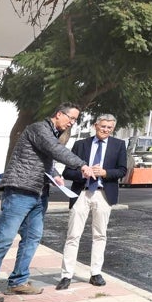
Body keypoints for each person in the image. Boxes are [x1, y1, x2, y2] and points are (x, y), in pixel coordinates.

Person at [0, 104, 92, 302]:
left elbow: (44, 160)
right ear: (58, 114)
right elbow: (54, 149)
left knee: (33, 237)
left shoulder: (50, 133)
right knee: (4, 238)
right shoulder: (39, 129)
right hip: (20, 190)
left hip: (39, 193)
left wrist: (54, 175)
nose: (72, 122)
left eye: (75, 120)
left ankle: (18, 281)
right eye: (71, 118)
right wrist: (81, 164)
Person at [56, 114, 128, 290]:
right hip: (82, 193)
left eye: (110, 128)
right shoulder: (81, 145)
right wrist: (83, 173)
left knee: (100, 235)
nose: (106, 130)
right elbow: (67, 172)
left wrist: (105, 173)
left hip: (104, 195)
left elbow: (122, 170)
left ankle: (95, 273)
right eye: (103, 126)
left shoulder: (118, 145)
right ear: (96, 125)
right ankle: (66, 275)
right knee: (73, 234)